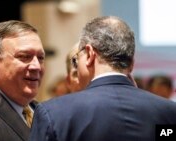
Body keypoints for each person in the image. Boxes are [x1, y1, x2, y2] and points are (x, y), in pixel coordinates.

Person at [29, 16, 176, 141]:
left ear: (90, 54)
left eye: (76, 59)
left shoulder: (53, 113)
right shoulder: (169, 112)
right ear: (131, 64)